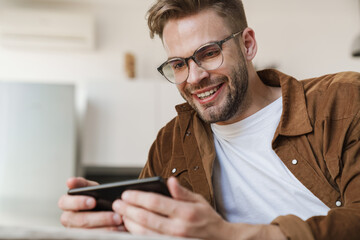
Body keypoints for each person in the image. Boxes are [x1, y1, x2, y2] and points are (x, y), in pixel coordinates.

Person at [58, 0, 360, 239]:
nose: (195, 77)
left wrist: (227, 234)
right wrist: (114, 222)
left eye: (209, 52)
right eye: (178, 64)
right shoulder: (171, 141)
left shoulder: (343, 100)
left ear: (248, 45)